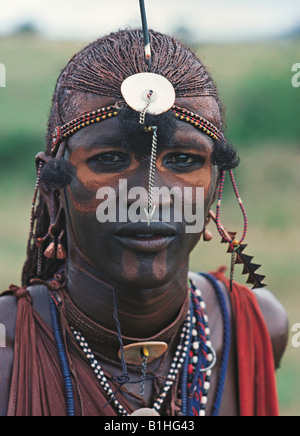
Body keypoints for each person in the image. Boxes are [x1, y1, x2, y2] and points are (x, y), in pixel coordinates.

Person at [0, 29, 288, 416]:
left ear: (215, 189)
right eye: (110, 159)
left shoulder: (258, 329)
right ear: (53, 189)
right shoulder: (7, 353)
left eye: (183, 160)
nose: (149, 197)